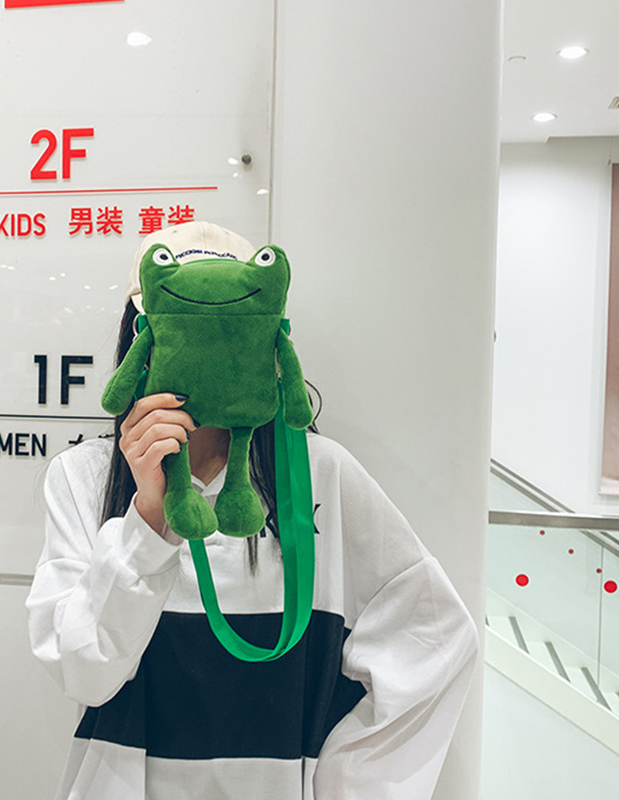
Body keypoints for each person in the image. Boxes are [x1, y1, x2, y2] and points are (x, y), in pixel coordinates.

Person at [26, 222, 479, 800]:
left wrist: (346, 780)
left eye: (229, 330)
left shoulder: (321, 472)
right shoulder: (85, 477)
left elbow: (434, 634)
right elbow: (84, 674)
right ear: (142, 333)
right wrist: (148, 516)